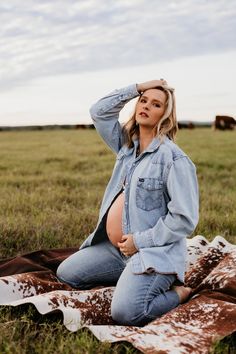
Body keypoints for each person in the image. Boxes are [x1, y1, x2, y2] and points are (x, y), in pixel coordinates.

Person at [57, 79, 199, 326]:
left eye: (156, 104)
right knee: (67, 273)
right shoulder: (126, 147)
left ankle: (177, 292)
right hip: (115, 251)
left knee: (126, 313)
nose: (146, 106)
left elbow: (184, 219)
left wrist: (139, 241)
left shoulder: (174, 159)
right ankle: (129, 279)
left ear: (165, 114)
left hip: (152, 254)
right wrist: (138, 87)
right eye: (143, 101)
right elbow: (98, 112)